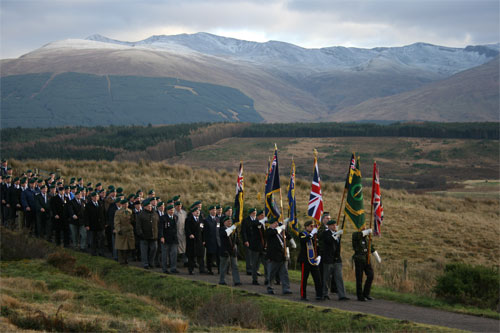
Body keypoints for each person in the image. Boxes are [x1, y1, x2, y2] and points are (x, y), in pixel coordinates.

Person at [320, 219, 349, 301]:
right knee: (326, 278)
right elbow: (329, 241)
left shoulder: (337, 235)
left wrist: (337, 234)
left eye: (335, 225)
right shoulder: (326, 233)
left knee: (339, 277)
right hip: (328, 259)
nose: (334, 226)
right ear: (329, 226)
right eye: (332, 225)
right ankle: (325, 294)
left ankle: (342, 295)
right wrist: (336, 234)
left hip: (337, 259)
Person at [352, 226, 381, 301]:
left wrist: (377, 256)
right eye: (362, 227)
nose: (364, 228)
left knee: (370, 275)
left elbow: (371, 247)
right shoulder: (355, 235)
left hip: (367, 259)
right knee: (359, 278)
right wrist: (366, 232)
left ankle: (366, 293)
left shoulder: (367, 238)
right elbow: (358, 235)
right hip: (359, 259)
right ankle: (360, 296)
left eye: (365, 227)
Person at [265, 218, 292, 295]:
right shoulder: (269, 231)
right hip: (273, 256)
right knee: (271, 273)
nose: (276, 224)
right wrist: (280, 228)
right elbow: (273, 233)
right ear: (270, 224)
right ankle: (270, 287)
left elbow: (286, 239)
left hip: (282, 255)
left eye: (277, 223)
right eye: (274, 223)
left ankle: (286, 288)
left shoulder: (280, 232)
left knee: (284, 273)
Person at [298, 221, 323, 301]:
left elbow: (318, 247)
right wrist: (311, 234)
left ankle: (319, 295)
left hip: (314, 260)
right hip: (305, 260)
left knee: (317, 278)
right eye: (310, 226)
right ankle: (303, 296)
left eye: (313, 226)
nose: (312, 227)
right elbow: (303, 241)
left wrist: (319, 256)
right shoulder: (302, 234)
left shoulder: (315, 236)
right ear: (306, 227)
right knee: (304, 279)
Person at [136, 198, 159, 269]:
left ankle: (151, 262)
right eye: (148, 206)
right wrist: (140, 233)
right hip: (144, 236)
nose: (150, 207)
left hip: (154, 235)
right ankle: (145, 263)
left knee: (154, 248)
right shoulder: (141, 215)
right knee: (144, 251)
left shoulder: (155, 213)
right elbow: (138, 225)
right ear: (145, 207)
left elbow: (158, 223)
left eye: (150, 206)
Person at [218, 216, 241, 286]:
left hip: (232, 250)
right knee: (223, 267)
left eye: (230, 221)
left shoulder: (233, 230)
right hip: (225, 250)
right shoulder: (222, 229)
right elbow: (225, 234)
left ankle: (237, 281)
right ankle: (222, 280)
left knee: (235, 266)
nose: (230, 222)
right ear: (224, 222)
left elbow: (236, 239)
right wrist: (232, 228)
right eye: (228, 221)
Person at [185, 206, 206, 275]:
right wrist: (190, 234)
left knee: (201, 255)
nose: (197, 213)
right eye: (196, 212)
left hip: (199, 240)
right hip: (192, 240)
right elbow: (187, 229)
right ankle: (191, 269)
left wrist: (204, 240)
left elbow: (203, 230)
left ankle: (202, 269)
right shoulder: (189, 219)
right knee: (191, 256)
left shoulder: (201, 220)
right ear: (193, 212)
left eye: (198, 212)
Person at [114, 199, 135, 265]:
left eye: (127, 204)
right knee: (121, 247)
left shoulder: (130, 211)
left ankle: (126, 259)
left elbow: (132, 220)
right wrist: (118, 229)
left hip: (129, 230)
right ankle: (121, 261)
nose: (126, 205)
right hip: (122, 230)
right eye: (124, 204)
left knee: (128, 247)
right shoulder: (118, 212)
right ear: (122, 205)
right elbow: (116, 222)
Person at [159, 203, 179, 274]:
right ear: (167, 211)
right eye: (170, 210)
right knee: (165, 254)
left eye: (173, 210)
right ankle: (165, 269)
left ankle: (173, 268)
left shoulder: (175, 217)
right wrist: (161, 236)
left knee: (174, 254)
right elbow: (161, 228)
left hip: (173, 238)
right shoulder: (163, 218)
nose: (172, 211)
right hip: (165, 238)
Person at [85, 191, 106, 256]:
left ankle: (101, 252)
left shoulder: (101, 203)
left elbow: (104, 213)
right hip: (93, 225)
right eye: (94, 197)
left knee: (102, 239)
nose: (96, 198)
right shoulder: (88, 205)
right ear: (92, 197)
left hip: (101, 225)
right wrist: (87, 225)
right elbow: (86, 216)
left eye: (97, 196)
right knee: (93, 239)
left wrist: (105, 222)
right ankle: (93, 252)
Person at [203, 205, 219, 275]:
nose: (214, 212)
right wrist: (204, 240)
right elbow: (204, 231)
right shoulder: (206, 220)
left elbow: (218, 229)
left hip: (217, 240)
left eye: (215, 210)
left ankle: (219, 270)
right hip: (209, 240)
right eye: (213, 210)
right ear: (210, 211)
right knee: (209, 256)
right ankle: (209, 269)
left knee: (218, 256)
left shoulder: (217, 219)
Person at [174, 200, 188, 267]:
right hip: (175, 232)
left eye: (180, 206)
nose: (179, 207)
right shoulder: (173, 213)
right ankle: (175, 262)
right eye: (178, 206)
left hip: (183, 233)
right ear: (175, 206)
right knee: (175, 248)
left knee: (183, 247)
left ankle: (185, 261)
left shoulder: (184, 213)